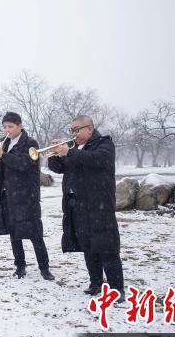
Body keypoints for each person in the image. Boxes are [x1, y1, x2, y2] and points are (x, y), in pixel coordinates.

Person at [48, 115, 125, 301]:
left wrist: (69, 152)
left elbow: (97, 160)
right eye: (71, 130)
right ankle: (96, 284)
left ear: (89, 129)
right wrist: (53, 154)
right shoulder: (75, 148)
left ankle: (117, 290)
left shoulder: (104, 144)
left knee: (107, 248)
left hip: (100, 207)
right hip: (78, 207)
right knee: (88, 247)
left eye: (77, 129)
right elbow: (60, 169)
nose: (73, 133)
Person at [0, 112, 55, 280]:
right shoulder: (2, 144)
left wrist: (3, 156)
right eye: (4, 127)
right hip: (7, 195)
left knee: (35, 234)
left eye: (10, 127)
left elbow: (23, 164)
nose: (7, 130)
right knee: (13, 233)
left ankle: (44, 268)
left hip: (27, 196)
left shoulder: (30, 143)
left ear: (20, 126)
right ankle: (20, 266)